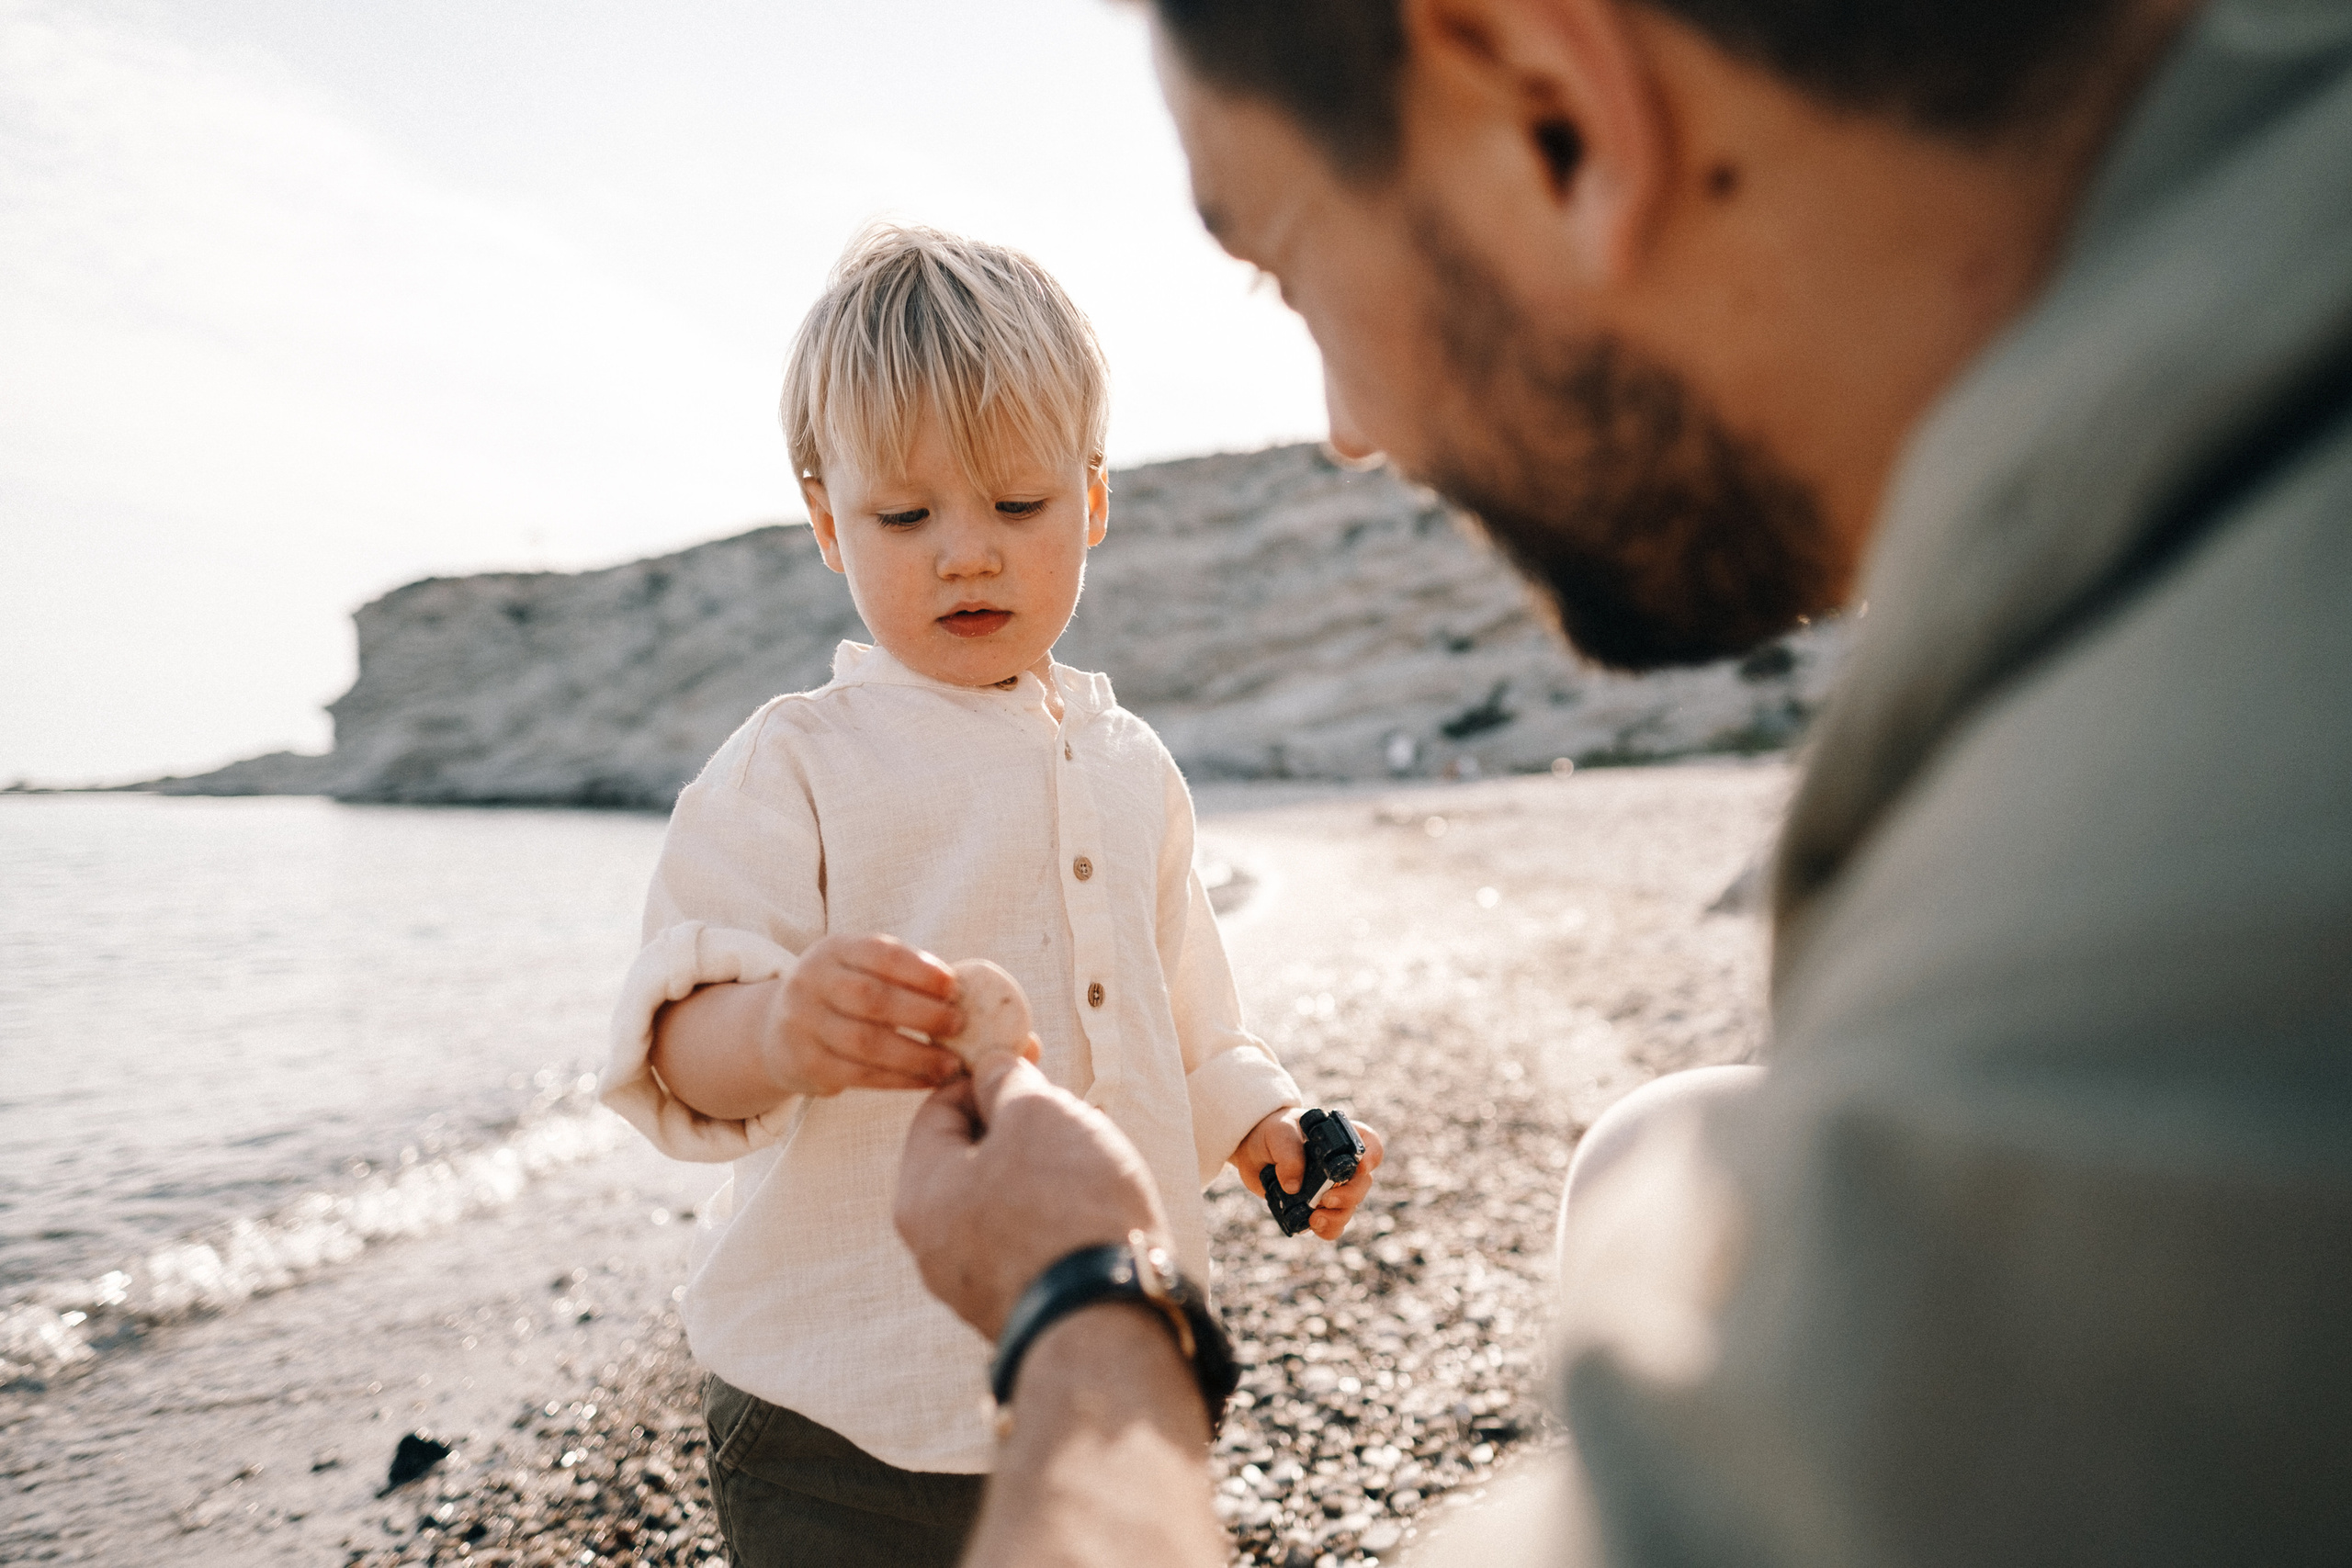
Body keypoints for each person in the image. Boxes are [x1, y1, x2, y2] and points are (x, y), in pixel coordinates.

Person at [892, 0, 2352, 1562]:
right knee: (1652, 1148)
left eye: (1287, 263)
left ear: (1554, 111)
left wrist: (1089, 1308)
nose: (1348, 432)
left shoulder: (2182, 868)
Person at [597, 223, 1382, 1568]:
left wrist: (1261, 1116)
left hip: (1102, 1372)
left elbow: (1182, 1008)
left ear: (1093, 501)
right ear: (827, 521)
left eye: (1017, 505)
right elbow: (674, 1040)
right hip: (835, 1409)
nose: (968, 554)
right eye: (906, 516)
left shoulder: (1135, 768)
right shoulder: (794, 765)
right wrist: (779, 1025)